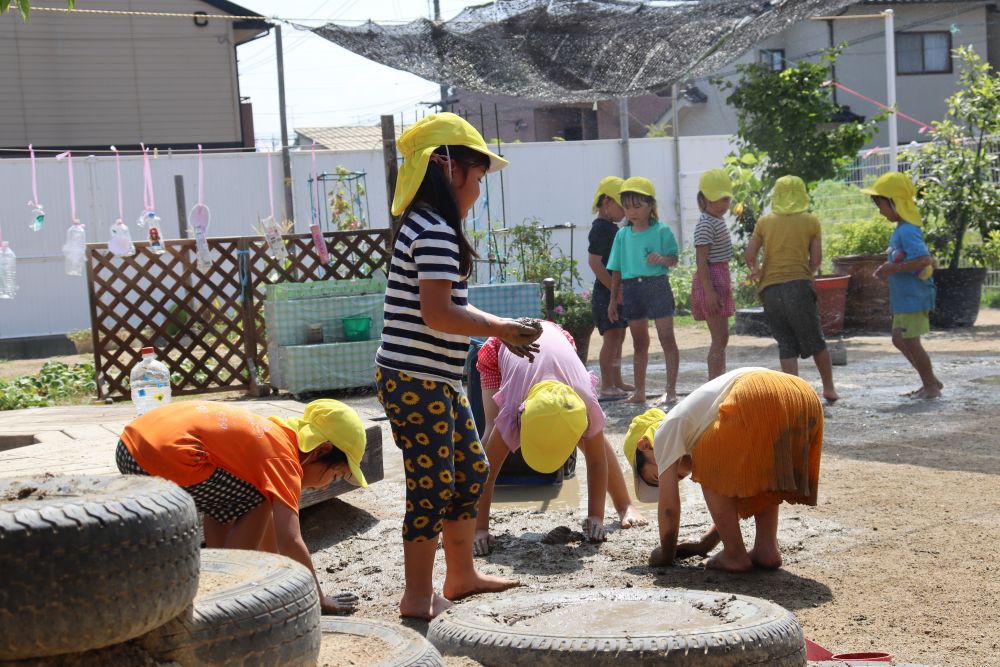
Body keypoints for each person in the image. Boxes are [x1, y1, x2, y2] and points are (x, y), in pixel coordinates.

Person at [374, 112, 543, 621]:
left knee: (469, 471)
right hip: (414, 378)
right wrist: (502, 328)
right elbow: (438, 312)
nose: (478, 189)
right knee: (431, 484)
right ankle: (417, 596)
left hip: (435, 379)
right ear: (449, 169)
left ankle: (462, 574)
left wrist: (497, 328)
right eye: (479, 176)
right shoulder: (434, 231)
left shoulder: (430, 226)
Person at [117, 399, 367, 615]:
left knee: (233, 499)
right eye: (334, 475)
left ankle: (220, 575)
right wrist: (318, 597)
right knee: (259, 496)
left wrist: (278, 575)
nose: (325, 487)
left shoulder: (273, 434)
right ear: (320, 450)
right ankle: (231, 586)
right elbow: (290, 540)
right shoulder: (283, 460)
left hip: (130, 446)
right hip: (161, 457)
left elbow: (235, 511)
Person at [472, 320, 648, 556]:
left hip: (557, 339)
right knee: (491, 429)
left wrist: (596, 516)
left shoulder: (584, 404)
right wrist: (480, 529)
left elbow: (596, 461)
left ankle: (624, 504)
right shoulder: (513, 412)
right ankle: (467, 515)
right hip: (507, 343)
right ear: (521, 422)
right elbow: (488, 470)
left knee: (595, 439)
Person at [625, 367, 824, 572]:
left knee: (709, 463)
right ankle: (767, 549)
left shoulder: (662, 434)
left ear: (644, 446)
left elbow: (668, 508)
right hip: (801, 394)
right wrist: (706, 542)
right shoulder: (700, 427)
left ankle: (734, 554)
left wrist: (666, 554)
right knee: (759, 470)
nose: (673, 480)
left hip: (757, 391)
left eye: (658, 476)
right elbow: (734, 495)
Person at [744, 175, 839, 402]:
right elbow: (816, 259)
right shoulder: (810, 221)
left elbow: (749, 255)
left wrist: (756, 269)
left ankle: (794, 395)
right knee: (816, 340)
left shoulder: (765, 222)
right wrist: (808, 273)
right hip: (798, 287)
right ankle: (829, 388)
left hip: (770, 290)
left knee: (786, 343)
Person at [863, 171, 941, 399]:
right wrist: (888, 268)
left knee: (910, 341)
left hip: (914, 297)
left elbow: (924, 259)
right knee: (900, 339)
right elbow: (905, 258)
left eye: (881, 204)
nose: (879, 210)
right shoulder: (901, 230)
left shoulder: (907, 230)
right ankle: (930, 380)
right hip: (905, 297)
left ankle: (931, 387)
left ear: (894, 203)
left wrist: (892, 269)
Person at [606, 176, 680, 405]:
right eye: (627, 207)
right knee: (640, 343)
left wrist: (662, 258)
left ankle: (671, 390)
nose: (632, 212)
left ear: (651, 205)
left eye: (638, 206)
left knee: (667, 338)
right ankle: (639, 392)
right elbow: (616, 269)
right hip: (632, 289)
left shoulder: (662, 231)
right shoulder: (622, 235)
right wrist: (612, 299)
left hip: (657, 285)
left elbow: (674, 260)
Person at [587, 176, 633, 397]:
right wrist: (615, 291)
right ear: (607, 202)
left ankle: (617, 380)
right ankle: (606, 385)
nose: (625, 210)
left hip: (616, 292)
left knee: (620, 336)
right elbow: (594, 263)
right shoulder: (600, 229)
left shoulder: (612, 229)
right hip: (606, 295)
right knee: (612, 338)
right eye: (621, 205)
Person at [693, 169, 736, 380]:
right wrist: (709, 292)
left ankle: (720, 379)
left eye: (727, 198)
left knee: (723, 337)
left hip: (720, 278)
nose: (726, 204)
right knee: (718, 338)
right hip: (711, 280)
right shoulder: (706, 223)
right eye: (721, 199)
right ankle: (714, 383)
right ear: (705, 199)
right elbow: (701, 260)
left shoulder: (716, 220)